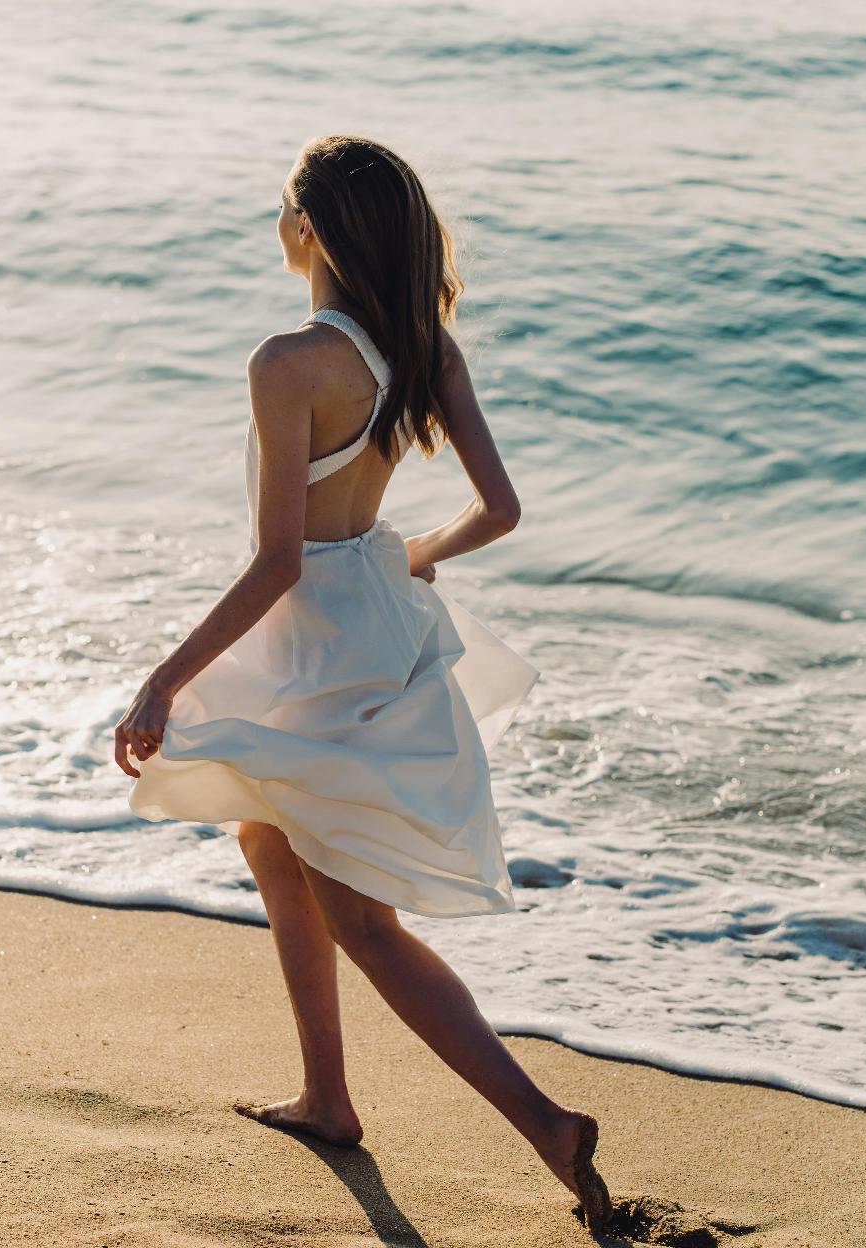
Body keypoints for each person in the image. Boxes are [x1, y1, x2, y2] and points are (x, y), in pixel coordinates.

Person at [115, 134, 613, 1235]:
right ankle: (328, 1097)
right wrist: (404, 559)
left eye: (281, 211)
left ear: (310, 230)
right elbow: (502, 510)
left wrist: (163, 679)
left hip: (317, 652)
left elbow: (281, 560)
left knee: (364, 923)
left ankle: (545, 1123)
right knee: (265, 836)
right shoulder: (422, 346)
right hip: (376, 625)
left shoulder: (287, 363)